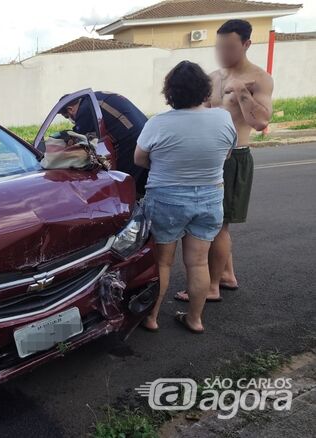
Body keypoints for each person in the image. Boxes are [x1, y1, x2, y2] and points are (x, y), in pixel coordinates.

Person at [174, 19, 273, 303]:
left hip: (234, 157)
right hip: (210, 157)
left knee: (217, 226)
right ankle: (227, 275)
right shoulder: (213, 77)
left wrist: (241, 91)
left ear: (245, 44)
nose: (223, 52)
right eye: (219, 46)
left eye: (230, 46)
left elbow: (260, 121)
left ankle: (212, 286)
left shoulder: (259, 78)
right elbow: (199, 113)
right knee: (216, 223)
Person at [134, 61, 237, 334]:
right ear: (204, 90)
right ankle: (195, 319)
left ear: (170, 92)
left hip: (166, 198)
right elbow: (226, 154)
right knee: (198, 262)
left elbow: (139, 159)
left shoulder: (158, 123)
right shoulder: (223, 118)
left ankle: (152, 317)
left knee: (163, 262)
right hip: (209, 197)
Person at [59, 92, 150, 197]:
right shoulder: (94, 98)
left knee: (122, 180)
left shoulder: (85, 109)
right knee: (142, 176)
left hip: (131, 140)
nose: (72, 120)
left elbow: (80, 140)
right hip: (146, 133)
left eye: (68, 117)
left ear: (70, 109)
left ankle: (127, 207)